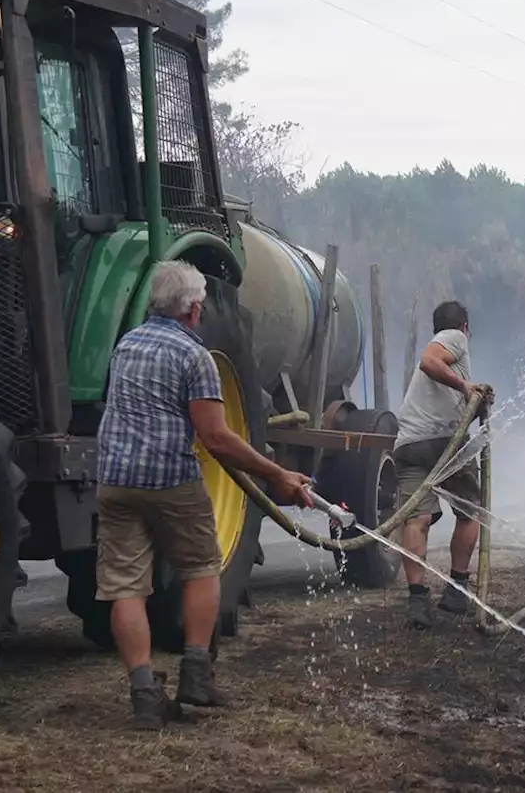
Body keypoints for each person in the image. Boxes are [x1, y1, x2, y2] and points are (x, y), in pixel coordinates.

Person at [95, 260, 312, 730]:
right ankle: (196, 674)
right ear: (195, 310)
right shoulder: (194, 356)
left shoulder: (124, 345)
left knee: (125, 588)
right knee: (200, 566)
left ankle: (144, 698)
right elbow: (216, 438)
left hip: (114, 480)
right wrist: (278, 475)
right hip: (170, 478)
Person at [394, 300, 493, 629]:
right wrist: (466, 387)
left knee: (416, 518)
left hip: (410, 443)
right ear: (464, 327)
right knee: (471, 512)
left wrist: (477, 403)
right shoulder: (456, 338)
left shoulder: (449, 357)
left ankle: (417, 600)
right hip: (443, 443)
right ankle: (457, 588)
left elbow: (452, 398)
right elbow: (428, 361)